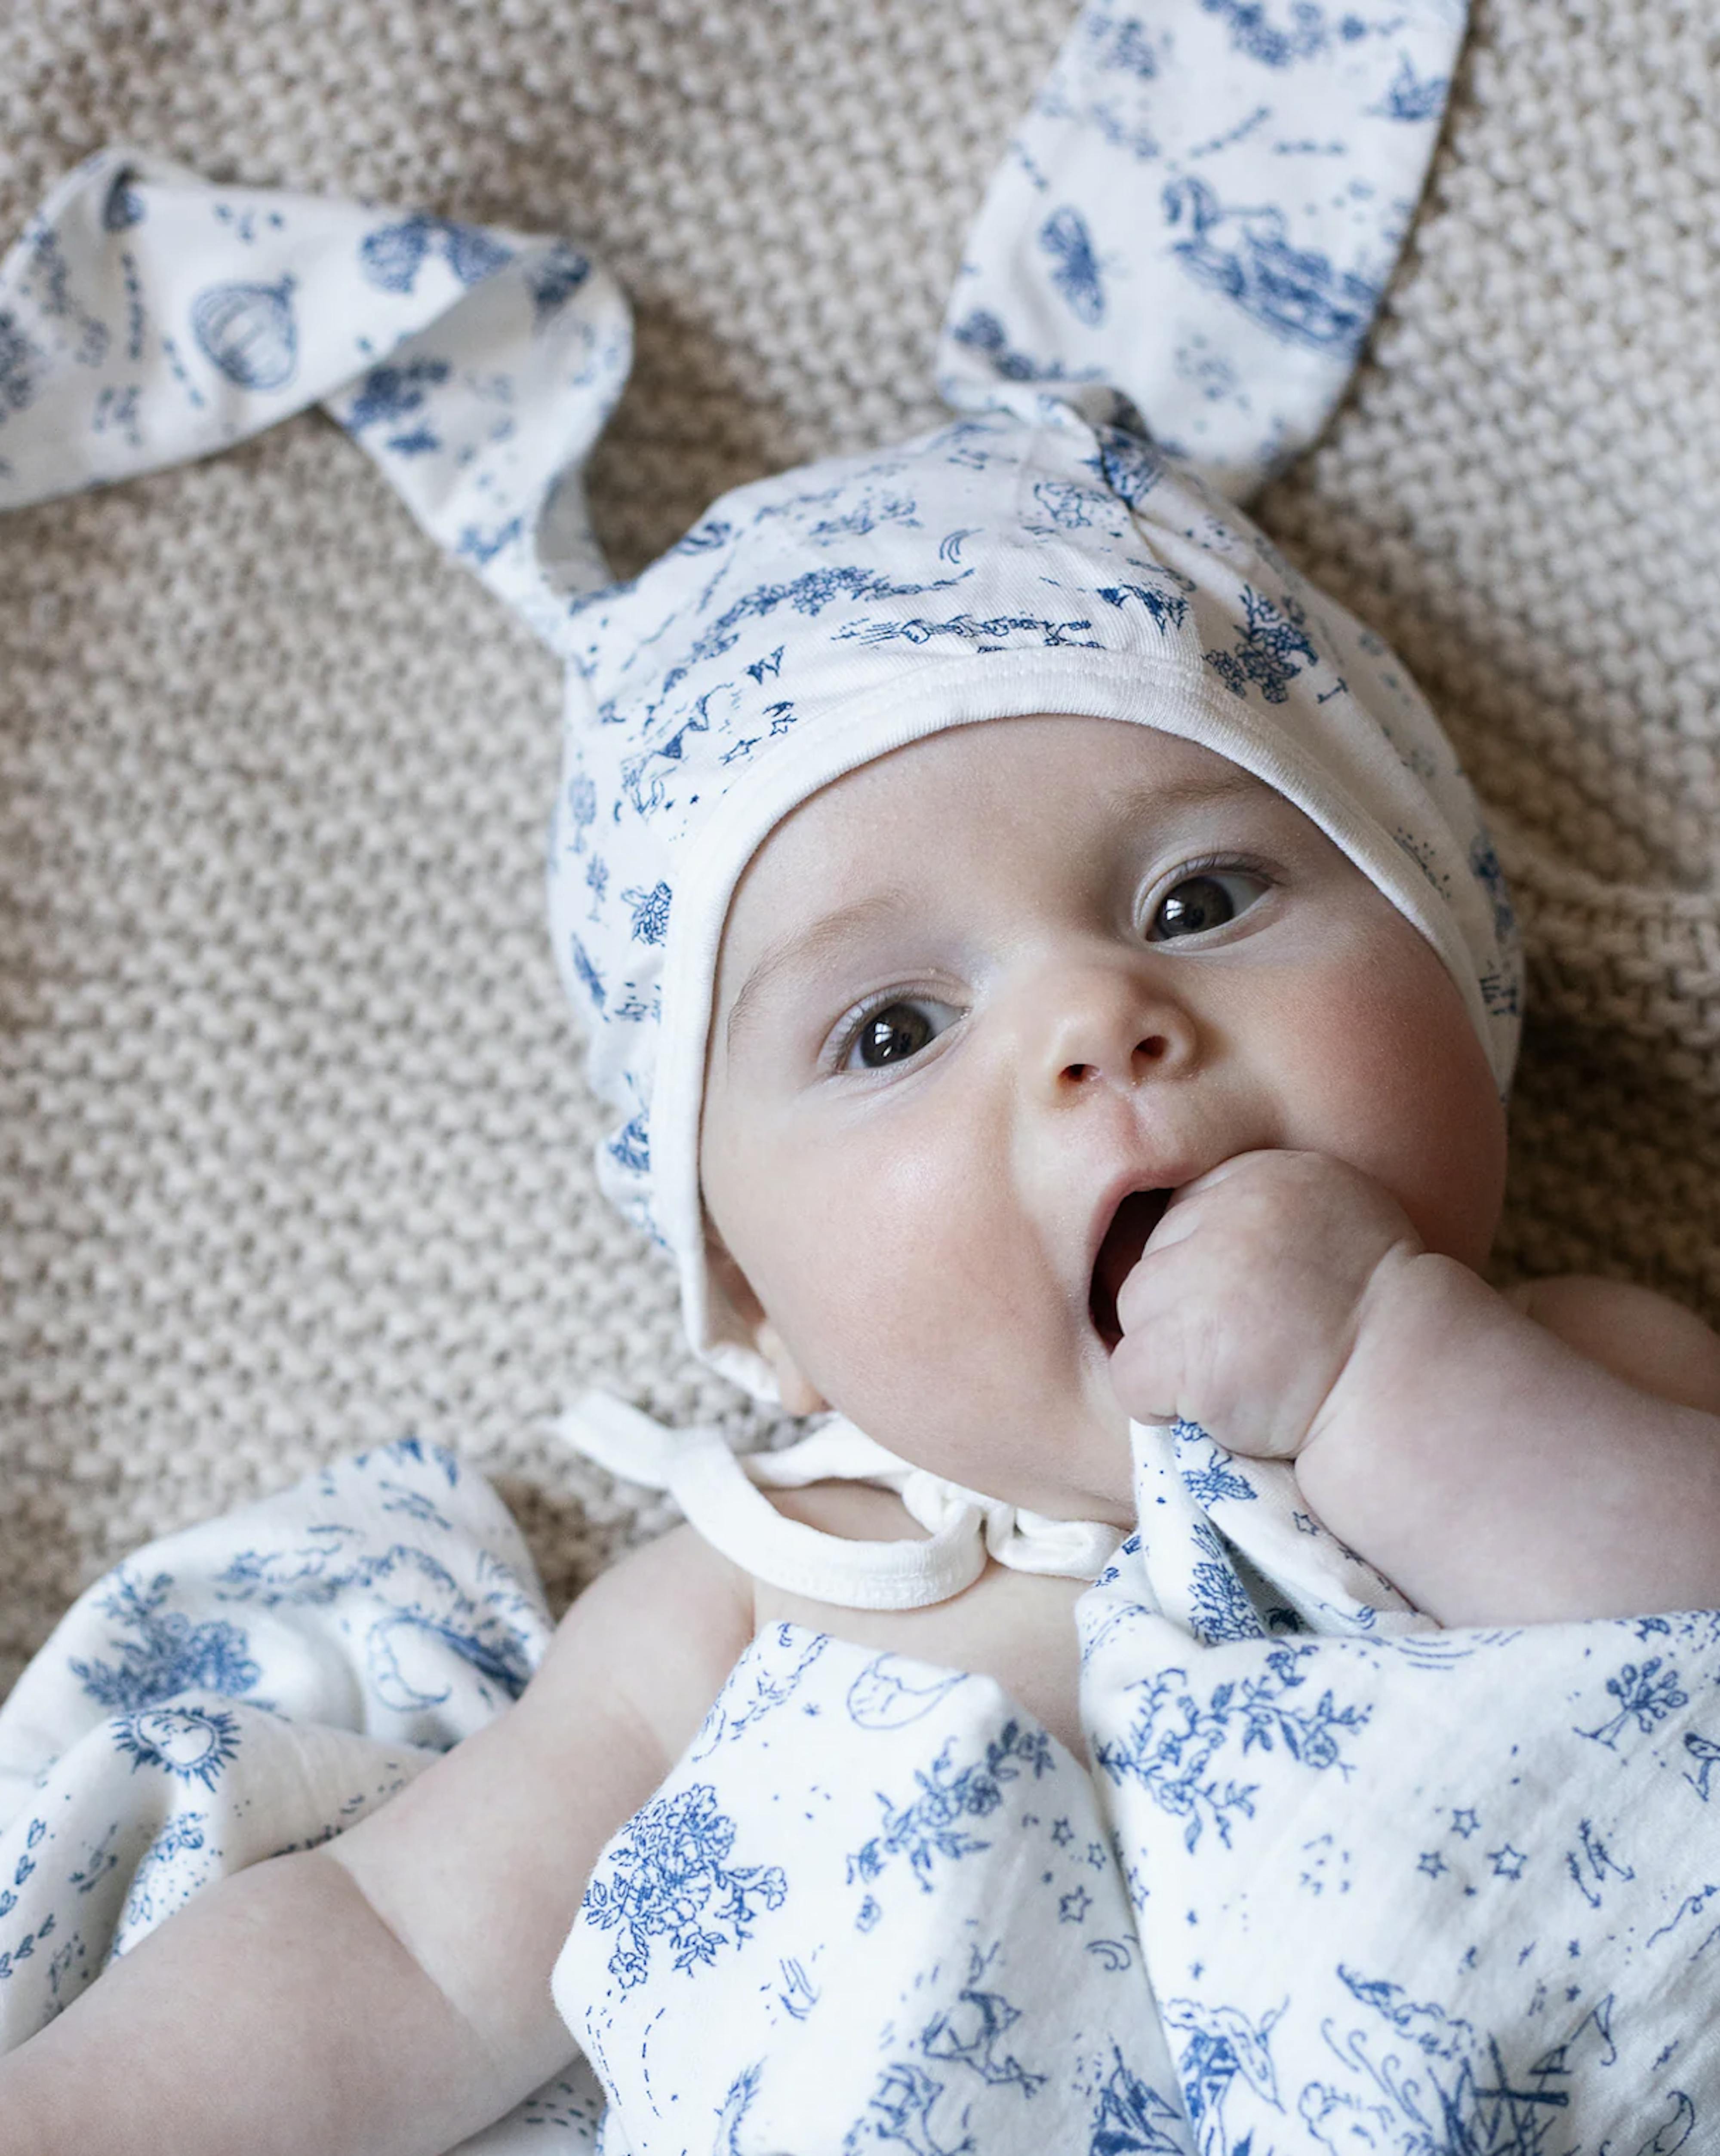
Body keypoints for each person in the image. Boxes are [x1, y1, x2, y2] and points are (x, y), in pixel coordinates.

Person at [4, 8, 1720, 2147]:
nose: (1101, 1023)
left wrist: (1390, 1375)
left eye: (1200, 899)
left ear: (1459, 975)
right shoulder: (761, 1591)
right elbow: (392, 1955)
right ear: (749, 1302)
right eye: (892, 1030)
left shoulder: (1577, 1371)